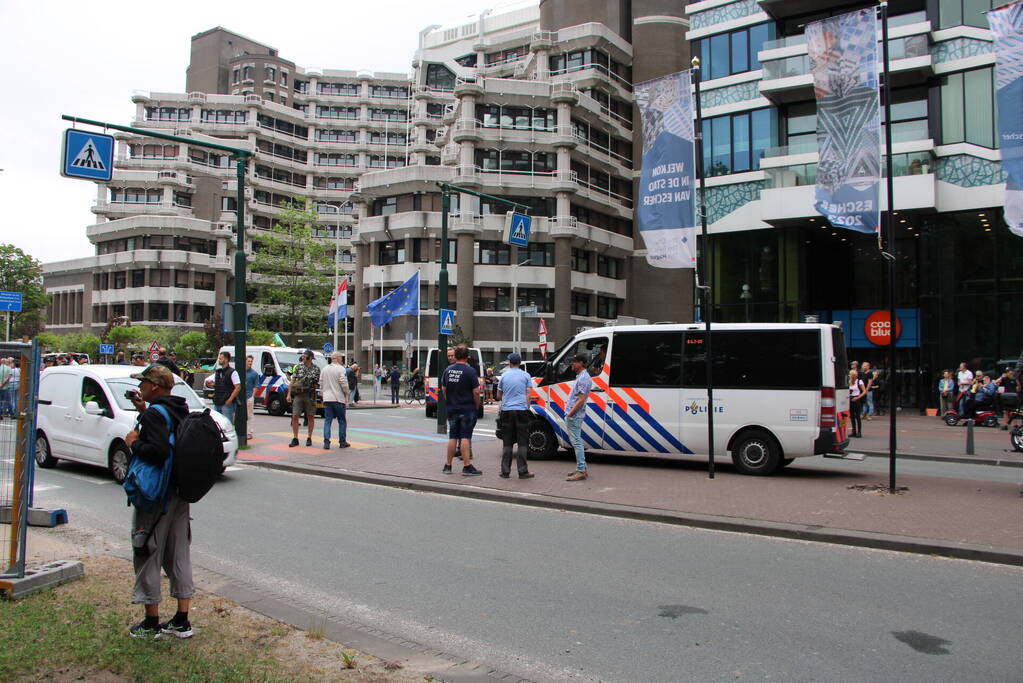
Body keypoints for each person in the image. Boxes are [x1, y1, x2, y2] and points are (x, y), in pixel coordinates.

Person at [123, 363, 194, 639]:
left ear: (153, 386)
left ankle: (151, 622)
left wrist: (133, 443)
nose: (140, 387)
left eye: (143, 383)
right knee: (179, 553)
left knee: (147, 550)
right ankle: (182, 620)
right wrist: (144, 411)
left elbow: (158, 451)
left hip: (155, 496)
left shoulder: (156, 413)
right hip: (179, 493)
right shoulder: (180, 408)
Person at [440, 345, 482, 476]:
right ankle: (467, 466)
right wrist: (477, 405)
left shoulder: (448, 370)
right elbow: (476, 391)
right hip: (466, 408)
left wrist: (449, 400)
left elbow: (444, 389)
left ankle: (448, 466)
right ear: (467, 356)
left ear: (456, 356)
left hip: (452, 408)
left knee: (452, 436)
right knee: (465, 437)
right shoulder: (470, 371)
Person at [496, 353, 535, 479]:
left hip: (507, 411)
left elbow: (498, 396)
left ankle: (505, 471)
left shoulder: (504, 376)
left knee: (507, 443)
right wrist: (526, 407)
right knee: (522, 442)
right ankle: (523, 471)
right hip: (521, 410)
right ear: (520, 362)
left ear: (509, 363)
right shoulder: (526, 376)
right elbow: (528, 394)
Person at [565, 354, 592, 481]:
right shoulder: (582, 377)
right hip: (575, 415)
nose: (572, 364)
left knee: (577, 443)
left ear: (581, 363)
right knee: (577, 442)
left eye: (574, 362)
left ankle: (581, 470)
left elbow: (581, 400)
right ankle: (582, 468)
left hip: (575, 415)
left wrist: (570, 413)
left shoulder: (583, 379)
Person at [287, 349, 319, 447]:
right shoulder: (298, 367)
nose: (303, 358)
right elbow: (292, 380)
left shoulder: (316, 369)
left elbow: (317, 383)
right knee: (295, 416)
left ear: (310, 358)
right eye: (303, 357)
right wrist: (288, 394)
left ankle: (309, 437)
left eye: (305, 357)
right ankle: (295, 438)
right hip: (298, 394)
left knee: (310, 416)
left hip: (310, 395)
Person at [320, 351, 350, 449]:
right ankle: (342, 441)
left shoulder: (324, 369)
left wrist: (323, 394)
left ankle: (326, 442)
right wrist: (347, 393)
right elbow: (343, 382)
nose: (342, 359)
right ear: (336, 358)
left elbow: (321, 383)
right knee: (341, 420)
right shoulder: (341, 369)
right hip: (338, 398)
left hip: (327, 398)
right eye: (341, 358)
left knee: (328, 420)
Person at [208, 352, 240, 424]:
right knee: (217, 423)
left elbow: (238, 387)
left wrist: (230, 400)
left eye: (220, 358)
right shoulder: (219, 372)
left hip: (226, 403)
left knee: (227, 424)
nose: (219, 360)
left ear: (226, 359)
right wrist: (211, 384)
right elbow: (221, 385)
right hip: (218, 402)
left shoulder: (233, 372)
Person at [243, 355, 260, 441]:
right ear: (245, 361)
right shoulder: (240, 372)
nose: (250, 363)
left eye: (251, 361)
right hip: (241, 397)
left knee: (249, 415)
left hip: (249, 396)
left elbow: (256, 386)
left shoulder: (254, 373)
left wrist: (252, 395)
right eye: (248, 361)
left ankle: (249, 432)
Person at [848, 369, 865, 438]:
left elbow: (864, 391)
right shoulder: (849, 381)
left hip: (856, 399)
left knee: (857, 416)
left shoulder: (859, 381)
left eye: (850, 374)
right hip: (850, 398)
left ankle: (859, 432)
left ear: (853, 375)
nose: (849, 375)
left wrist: (857, 397)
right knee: (851, 416)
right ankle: (853, 431)